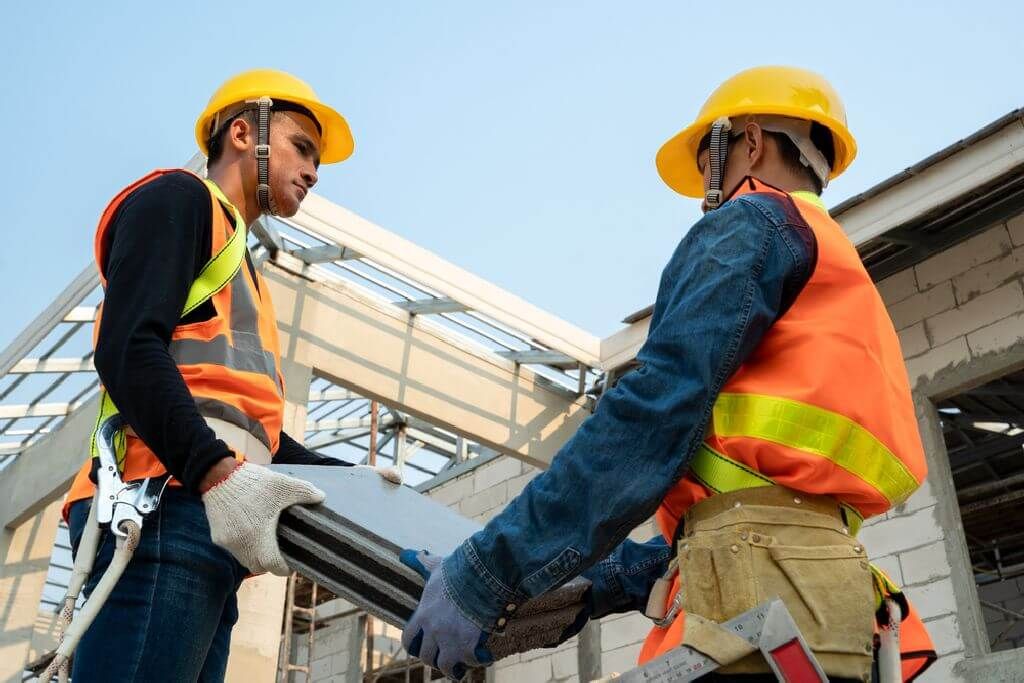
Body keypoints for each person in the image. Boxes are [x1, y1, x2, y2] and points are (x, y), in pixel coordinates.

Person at [400, 66, 936, 681]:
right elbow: (757, 501)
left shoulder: (754, 221)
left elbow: (651, 414)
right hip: (828, 602)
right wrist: (596, 582)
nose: (706, 193)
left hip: (751, 599)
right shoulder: (839, 267)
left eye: (715, 157)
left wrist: (487, 572)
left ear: (751, 142)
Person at [63, 69, 395, 682]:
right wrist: (215, 472)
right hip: (164, 502)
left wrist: (354, 482)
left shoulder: (245, 269)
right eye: (303, 148)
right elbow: (129, 349)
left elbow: (245, 426)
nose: (315, 172)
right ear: (243, 132)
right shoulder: (178, 201)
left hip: (208, 517)